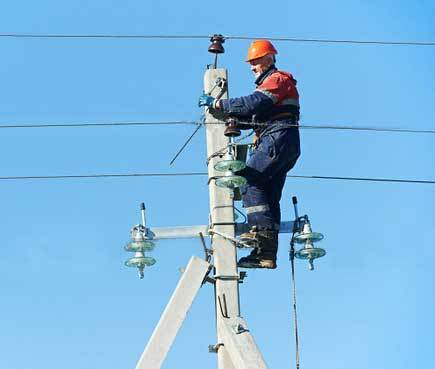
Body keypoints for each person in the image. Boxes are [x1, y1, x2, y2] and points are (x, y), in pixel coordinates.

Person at [198, 40, 301, 269]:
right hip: (282, 141)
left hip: (277, 138)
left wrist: (218, 103)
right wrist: (230, 117)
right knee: (268, 195)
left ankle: (259, 236)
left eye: (255, 62)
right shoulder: (275, 86)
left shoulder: (277, 79)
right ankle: (266, 254)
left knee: (249, 180)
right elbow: (253, 116)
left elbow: (252, 104)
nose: (252, 67)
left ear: (268, 59)